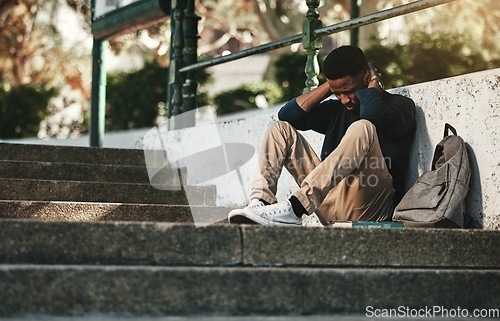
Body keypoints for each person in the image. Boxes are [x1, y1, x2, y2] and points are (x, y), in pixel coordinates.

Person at [228, 45, 416, 226]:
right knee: (280, 129)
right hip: (327, 201)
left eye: (349, 91)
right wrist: (331, 85)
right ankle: (261, 203)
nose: (344, 100)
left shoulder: (400, 106)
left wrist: (374, 83)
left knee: (363, 127)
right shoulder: (337, 110)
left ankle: (296, 207)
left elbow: (372, 114)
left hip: (371, 207)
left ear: (366, 76)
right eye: (338, 94)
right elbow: (289, 115)